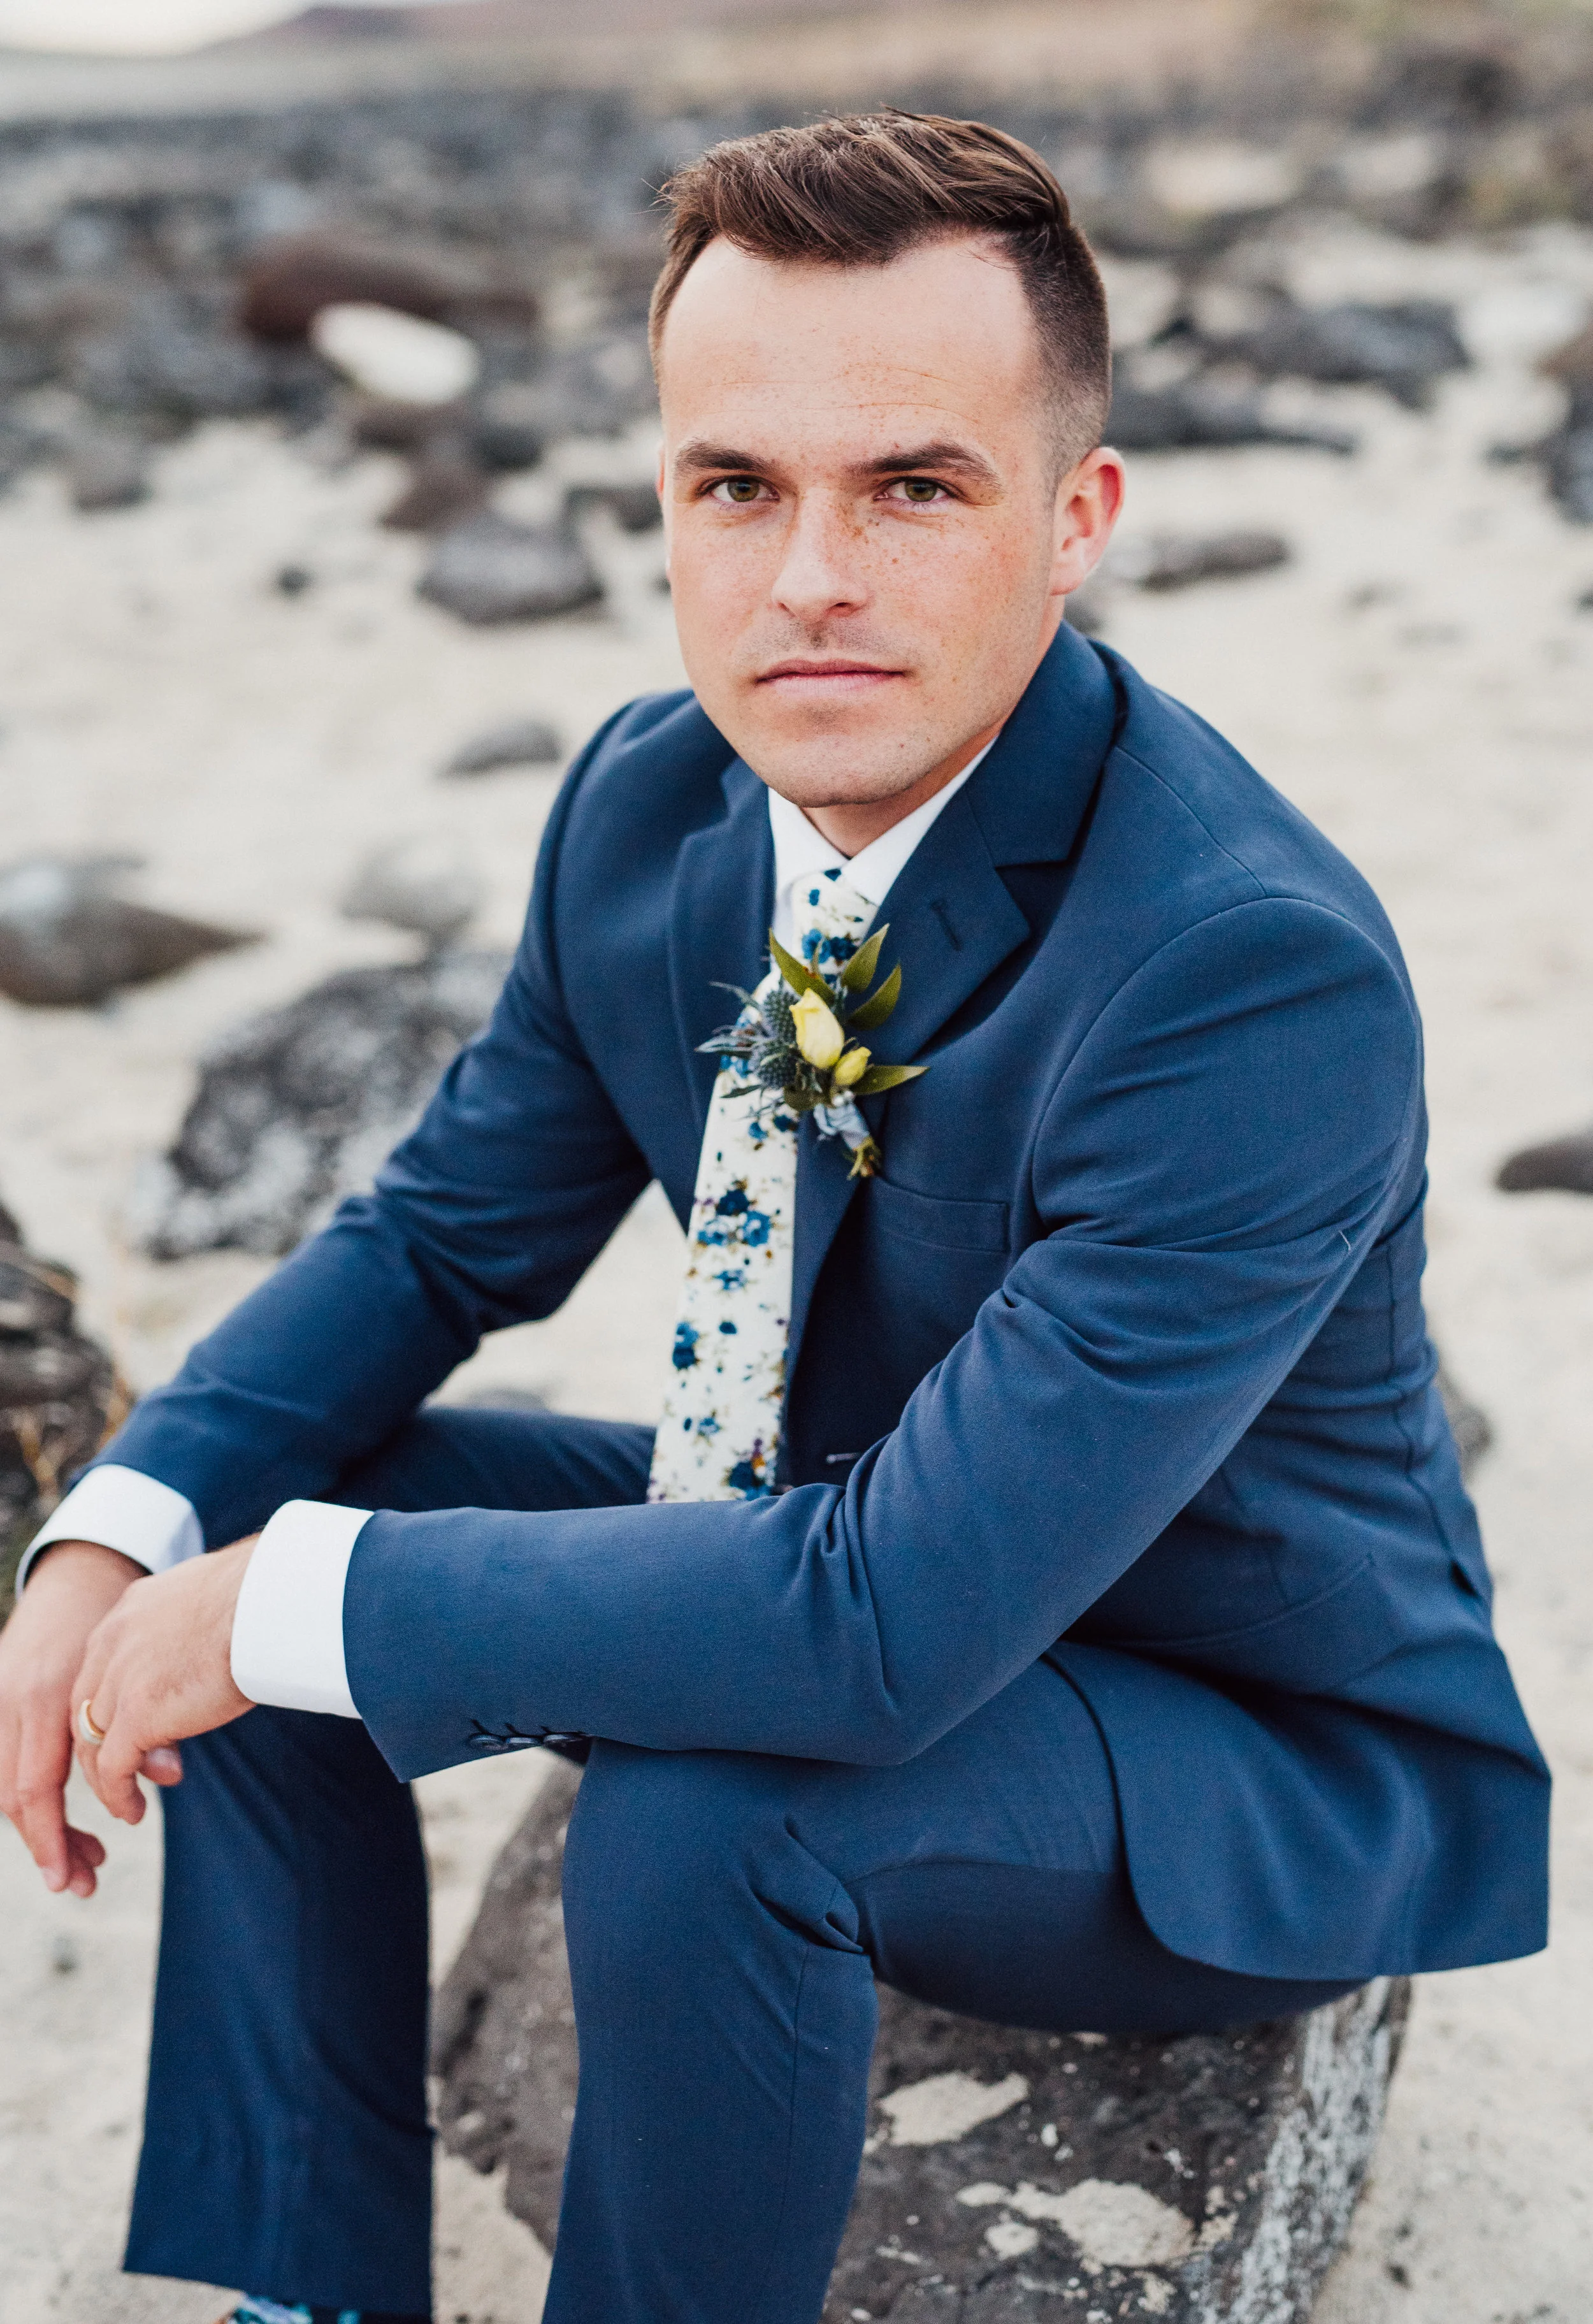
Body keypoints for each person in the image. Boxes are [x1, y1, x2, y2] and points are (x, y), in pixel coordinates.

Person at [0, 111, 1548, 2324]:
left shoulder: (1246, 970)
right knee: (279, 1502)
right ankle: (312, 2279)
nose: (808, 573)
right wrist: (125, 1535)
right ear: (662, 503)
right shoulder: (649, 802)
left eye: (912, 484)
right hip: (831, 1538)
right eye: (737, 485)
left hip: (1221, 1732)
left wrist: (284, 1616)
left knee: (704, 1798)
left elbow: (880, 1635)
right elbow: (440, 1236)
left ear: (1075, 515)